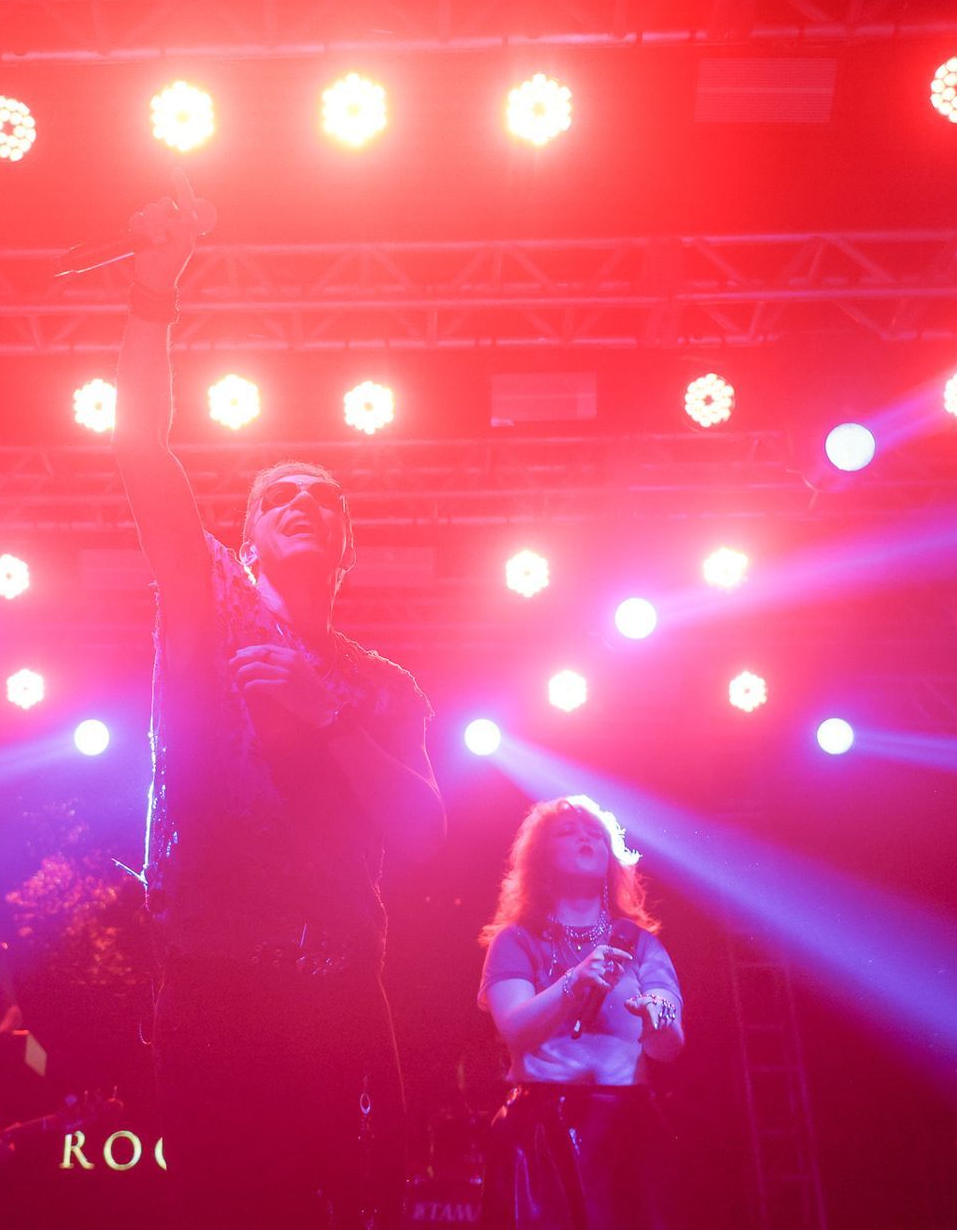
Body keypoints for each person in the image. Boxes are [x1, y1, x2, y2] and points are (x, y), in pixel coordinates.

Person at [112, 170, 446, 1228]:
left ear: (345, 549)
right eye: (275, 496)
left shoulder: (385, 683)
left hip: (344, 991)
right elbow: (139, 451)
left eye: (323, 500)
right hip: (214, 989)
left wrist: (329, 710)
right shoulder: (207, 595)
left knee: (355, 1205)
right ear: (247, 537)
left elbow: (426, 830)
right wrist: (153, 293)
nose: (301, 504)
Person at [477, 797, 685, 1230]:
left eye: (594, 832)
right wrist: (574, 981)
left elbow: (669, 1046)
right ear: (541, 858)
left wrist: (656, 1018)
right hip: (541, 1130)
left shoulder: (642, 944)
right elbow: (515, 1029)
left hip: (627, 1127)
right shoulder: (517, 941)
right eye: (568, 832)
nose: (585, 836)